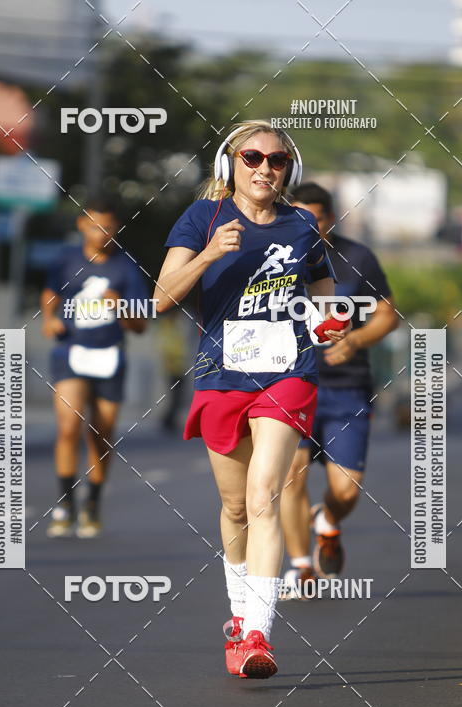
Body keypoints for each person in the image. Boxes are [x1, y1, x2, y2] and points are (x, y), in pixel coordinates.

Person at [154, 122, 347, 678]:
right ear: (230, 164)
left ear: (290, 170)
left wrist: (329, 319)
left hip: (288, 372)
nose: (265, 167)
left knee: (265, 497)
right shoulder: (202, 218)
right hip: (221, 375)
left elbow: (323, 287)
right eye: (253, 157)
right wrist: (209, 254)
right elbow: (161, 297)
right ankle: (239, 616)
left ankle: (258, 634)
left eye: (277, 160)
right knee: (236, 506)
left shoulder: (302, 224)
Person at [280, 183, 398, 596]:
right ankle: (300, 567)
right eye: (299, 218)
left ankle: (327, 520)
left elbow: (387, 314)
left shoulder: (358, 257)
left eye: (315, 219)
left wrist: (356, 340)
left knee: (346, 490)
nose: (307, 227)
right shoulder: (274, 257)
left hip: (346, 390)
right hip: (289, 384)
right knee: (290, 479)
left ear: (330, 218)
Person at [40, 196, 148, 538]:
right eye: (94, 226)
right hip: (71, 352)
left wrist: (122, 309)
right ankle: (65, 504)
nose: (101, 233)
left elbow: (140, 325)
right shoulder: (66, 259)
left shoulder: (126, 267)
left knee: (101, 435)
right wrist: (49, 318)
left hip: (109, 356)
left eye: (108, 227)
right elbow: (50, 293)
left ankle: (92, 503)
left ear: (116, 228)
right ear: (82, 225)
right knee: (68, 425)